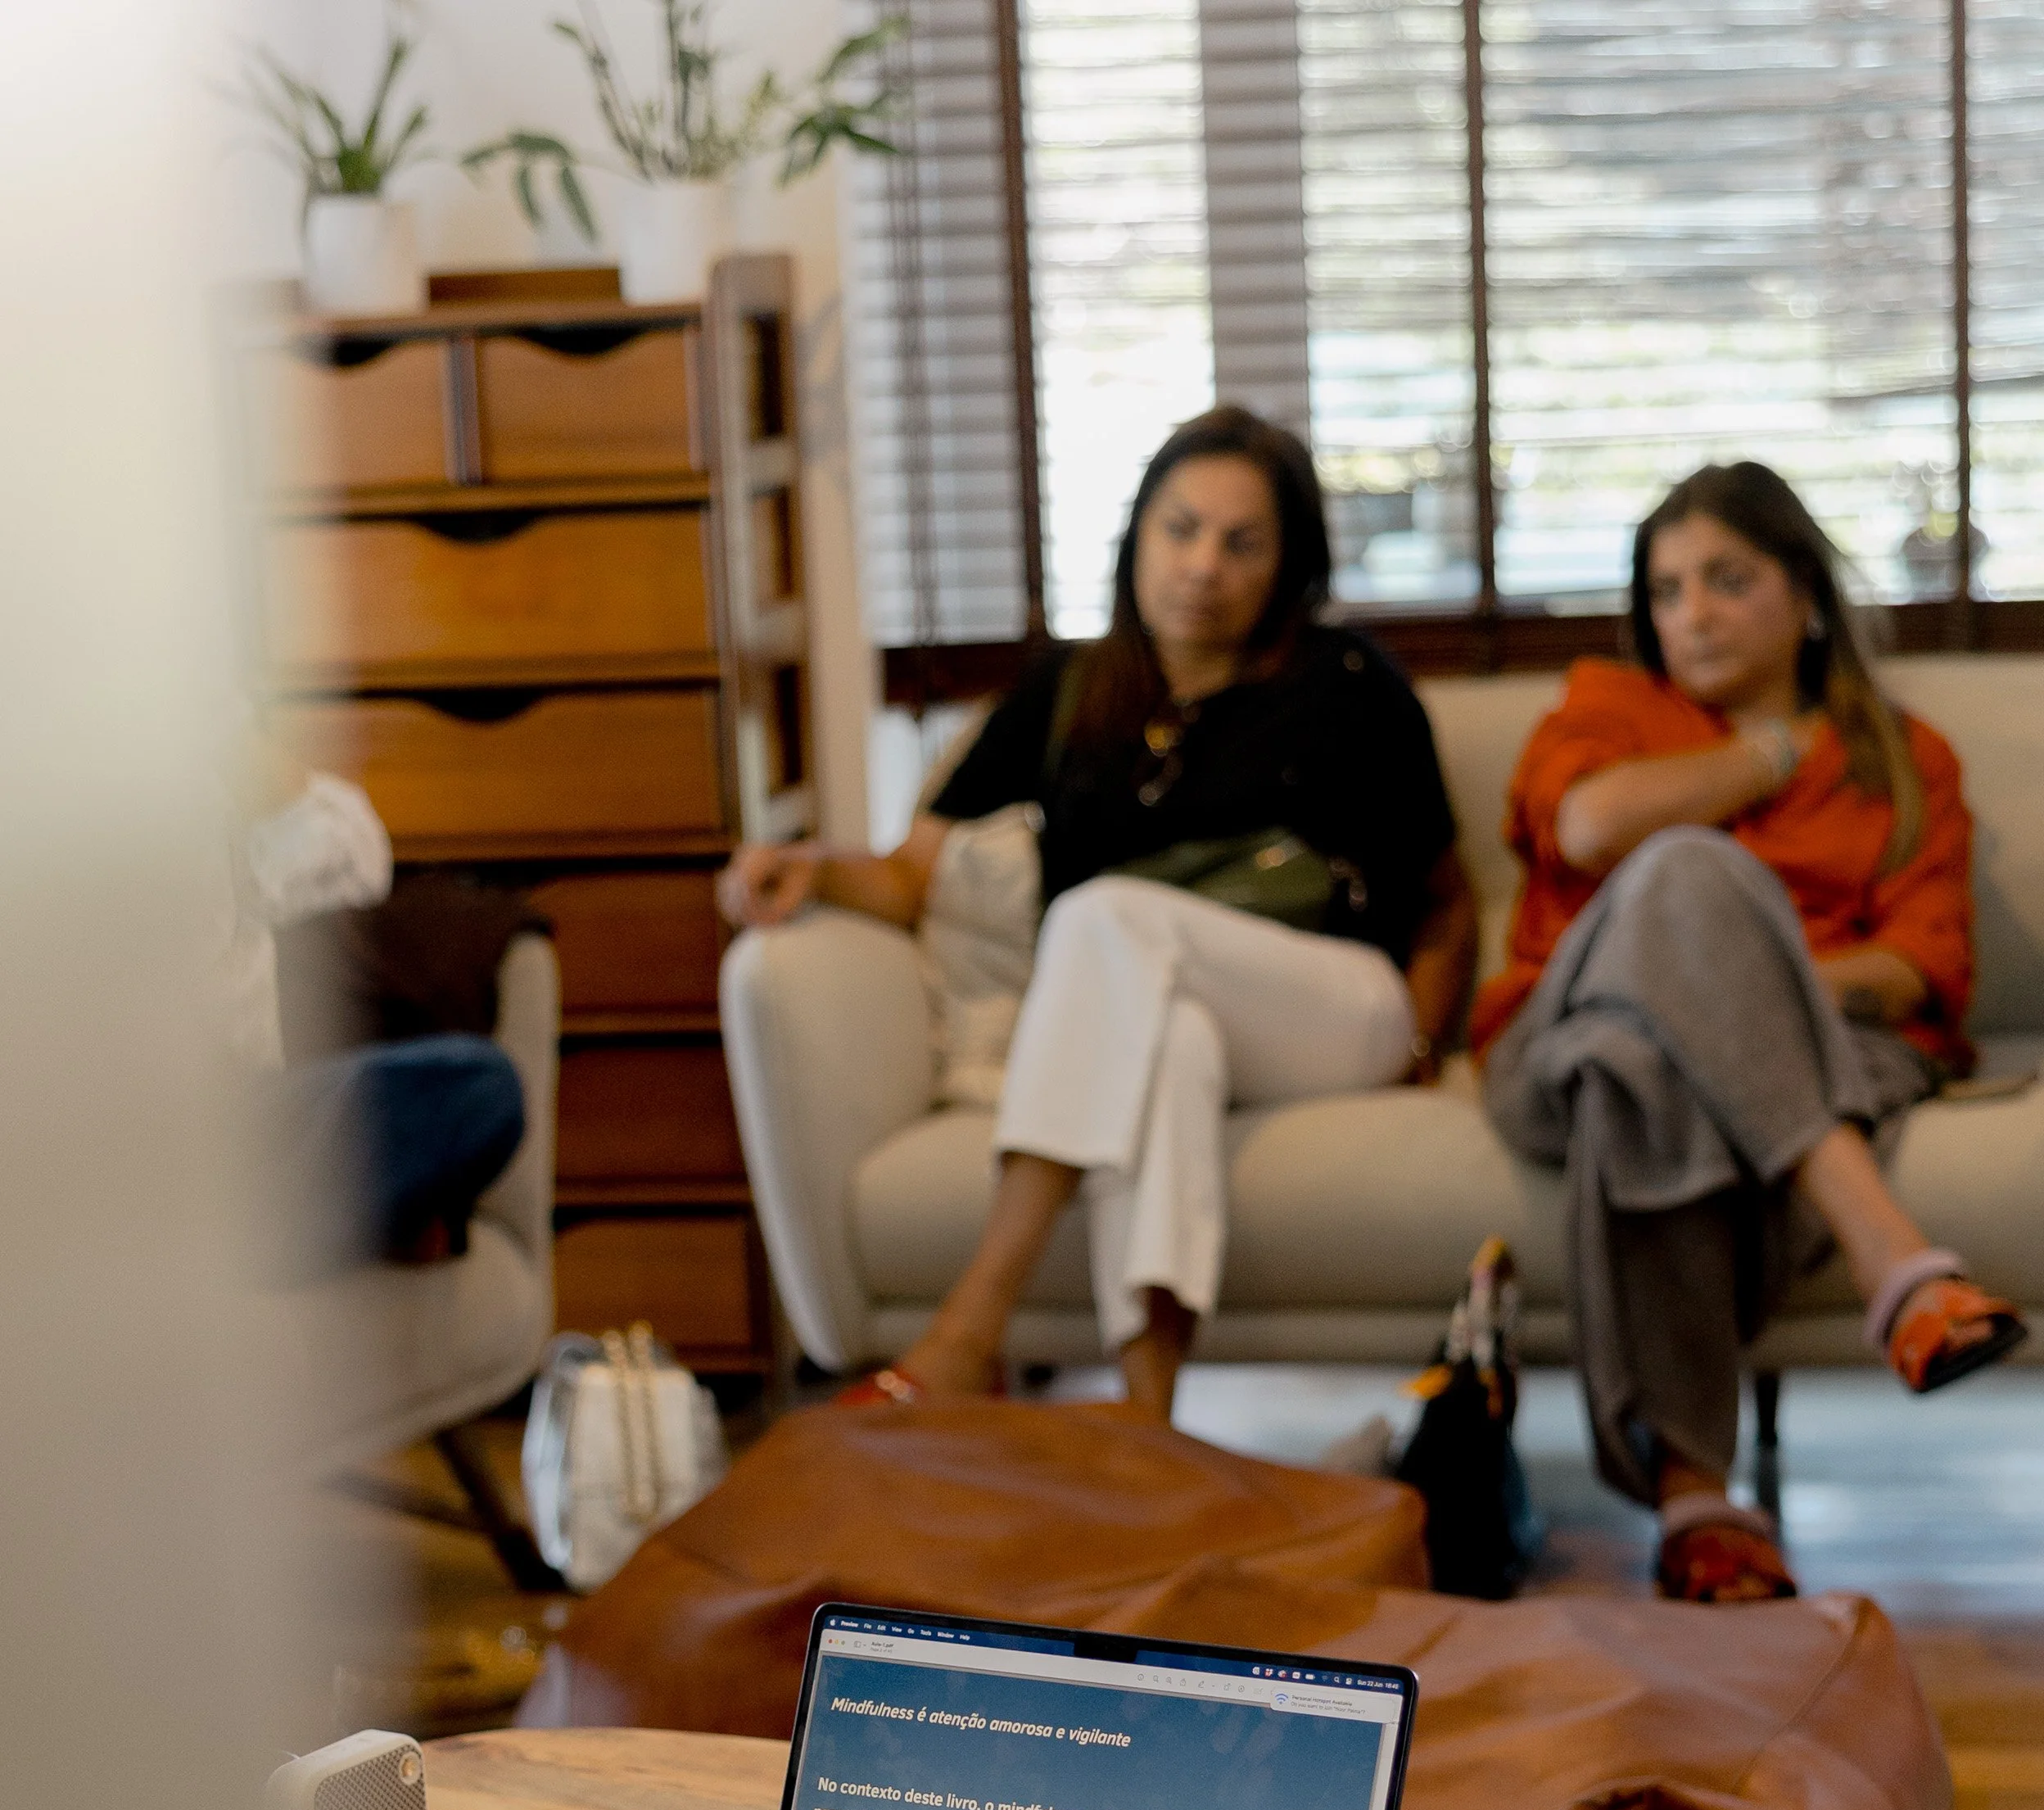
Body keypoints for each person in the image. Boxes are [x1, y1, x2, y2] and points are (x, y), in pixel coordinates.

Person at [720, 405, 1476, 1418]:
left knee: (1106, 916)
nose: (1202, 565)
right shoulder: (1068, 691)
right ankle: (1148, 1421)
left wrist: (1423, 1046)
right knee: (1169, 1038)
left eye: (1241, 543)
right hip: (1174, 1004)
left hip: (1343, 1012)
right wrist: (808, 869)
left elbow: (1447, 901)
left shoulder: (1347, 687)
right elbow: (913, 875)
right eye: (1181, 529)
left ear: (1289, 567)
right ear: (1137, 538)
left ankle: (970, 1323)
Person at [1473, 459, 2025, 1604]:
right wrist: (1769, 753)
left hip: (1755, 1049)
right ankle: (1894, 1262)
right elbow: (1587, 828)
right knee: (1684, 871)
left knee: (1653, 1066)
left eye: (1728, 579)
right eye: (1669, 590)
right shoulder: (1608, 708)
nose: (1694, 613)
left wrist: (1737, 996)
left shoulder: (1907, 763)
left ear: (1808, 596)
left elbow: (1922, 969)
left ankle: (1696, 1503)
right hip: (1561, 1032)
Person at [217, 765, 528, 1283]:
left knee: (478, 1089)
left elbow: (357, 855)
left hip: (252, 1122)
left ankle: (256, 1240)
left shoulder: (227, 814)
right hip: (138, 1126)